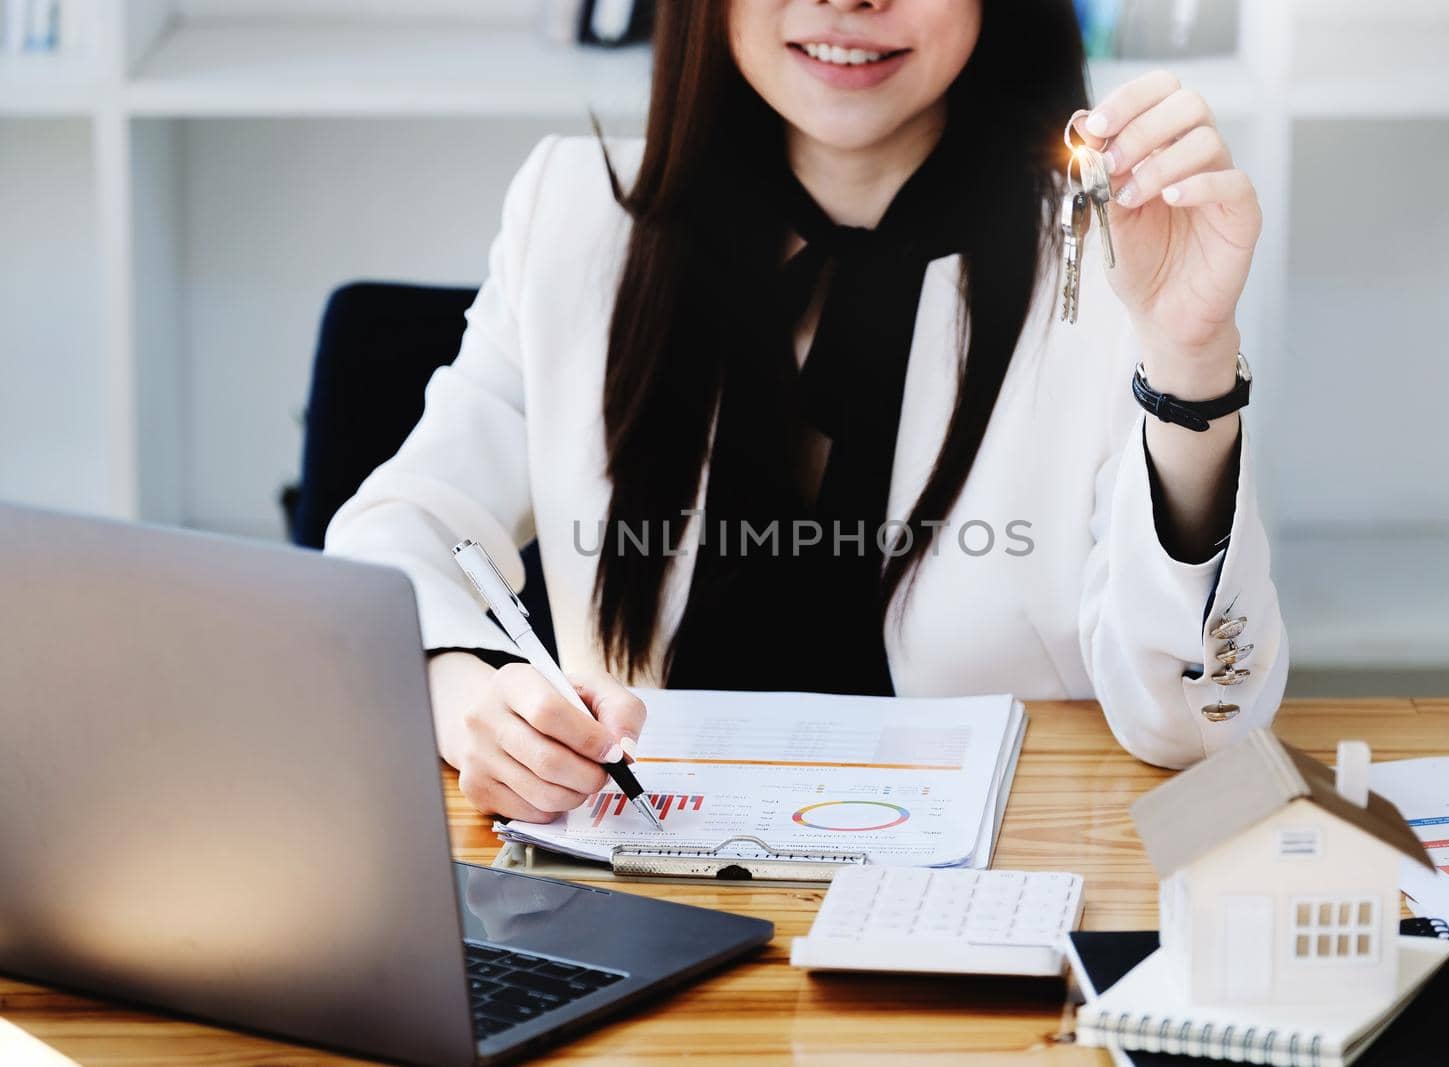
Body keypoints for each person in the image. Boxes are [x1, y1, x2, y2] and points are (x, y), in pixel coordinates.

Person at [326, 0, 1288, 824]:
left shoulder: (1115, 243)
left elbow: (1196, 728)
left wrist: (1190, 360)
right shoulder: (576, 213)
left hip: (993, 902)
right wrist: (465, 693)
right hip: (650, 900)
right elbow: (400, 525)